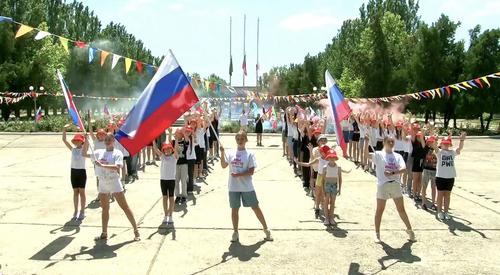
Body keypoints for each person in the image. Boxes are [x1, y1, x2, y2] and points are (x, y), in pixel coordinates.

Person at [83, 133, 140, 241]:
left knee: (125, 207)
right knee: (105, 208)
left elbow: (117, 167)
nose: (108, 141)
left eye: (110, 139)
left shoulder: (117, 153)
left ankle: (136, 230)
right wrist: (86, 140)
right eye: (106, 139)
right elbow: (84, 153)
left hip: (114, 181)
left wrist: (103, 165)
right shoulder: (99, 152)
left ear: (114, 141)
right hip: (103, 182)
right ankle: (104, 233)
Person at [219, 130, 273, 242]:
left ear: (246, 140)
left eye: (242, 139)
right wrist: (222, 153)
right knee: (234, 209)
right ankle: (235, 232)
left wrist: (239, 174)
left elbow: (251, 171)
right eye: (238, 139)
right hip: (233, 187)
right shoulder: (230, 153)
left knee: (255, 207)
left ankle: (266, 229)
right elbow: (224, 166)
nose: (240, 141)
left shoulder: (249, 154)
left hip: (247, 187)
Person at [372, 136, 416, 243]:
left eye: (393, 141)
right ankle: (377, 234)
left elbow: (403, 169)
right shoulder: (378, 154)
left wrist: (392, 173)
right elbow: (365, 155)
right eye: (389, 141)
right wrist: (367, 141)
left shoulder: (398, 155)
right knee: (379, 210)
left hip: (395, 184)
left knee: (401, 209)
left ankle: (410, 231)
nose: (391, 143)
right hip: (383, 185)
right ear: (384, 142)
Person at [436, 133, 466, 220]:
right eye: (444, 143)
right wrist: (433, 136)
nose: (445, 145)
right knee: (440, 195)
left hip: (450, 177)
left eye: (447, 143)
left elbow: (460, 148)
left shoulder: (452, 152)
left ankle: (446, 212)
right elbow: (434, 146)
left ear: (450, 144)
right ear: (441, 144)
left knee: (447, 196)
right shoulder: (439, 152)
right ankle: (439, 211)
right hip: (440, 177)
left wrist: (462, 140)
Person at [62, 125, 87, 221]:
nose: (77, 142)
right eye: (75, 141)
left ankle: (82, 211)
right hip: (73, 171)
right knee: (75, 192)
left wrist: (85, 136)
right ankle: (75, 210)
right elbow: (64, 140)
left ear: (82, 141)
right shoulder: (73, 149)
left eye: (78, 141)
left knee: (82, 192)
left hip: (81, 172)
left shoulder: (84, 149)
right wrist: (64, 129)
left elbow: (87, 143)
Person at [152, 138, 179, 224]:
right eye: (165, 149)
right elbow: (155, 149)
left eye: (169, 148)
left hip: (171, 180)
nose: (167, 150)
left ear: (172, 149)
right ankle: (166, 215)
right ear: (163, 150)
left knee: (171, 198)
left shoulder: (174, 157)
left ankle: (170, 215)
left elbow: (176, 148)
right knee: (164, 198)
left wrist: (176, 139)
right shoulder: (162, 157)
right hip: (163, 180)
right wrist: (153, 140)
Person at [320, 150, 343, 226]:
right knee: (326, 202)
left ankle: (331, 218)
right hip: (327, 185)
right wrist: (323, 189)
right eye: (330, 157)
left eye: (333, 157)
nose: (332, 159)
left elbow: (340, 178)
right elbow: (322, 180)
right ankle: (326, 218)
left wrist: (339, 189)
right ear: (328, 158)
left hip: (334, 185)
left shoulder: (338, 167)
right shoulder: (325, 167)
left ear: (335, 158)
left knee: (333, 202)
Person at [421, 136, 438, 210]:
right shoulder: (425, 149)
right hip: (426, 170)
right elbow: (422, 139)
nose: (431, 143)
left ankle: (433, 203)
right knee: (424, 186)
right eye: (430, 142)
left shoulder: (438, 149)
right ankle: (423, 202)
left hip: (435, 170)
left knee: (433, 187)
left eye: (432, 142)